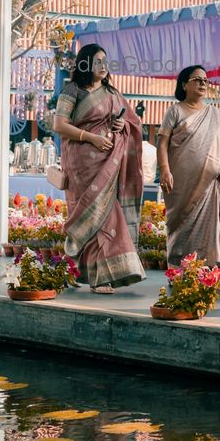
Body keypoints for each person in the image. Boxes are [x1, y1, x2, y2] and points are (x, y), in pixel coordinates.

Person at [53, 44, 145, 293]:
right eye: (98, 61)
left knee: (106, 215)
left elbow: (130, 123)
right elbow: (60, 125)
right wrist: (90, 137)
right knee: (91, 214)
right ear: (85, 63)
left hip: (108, 161)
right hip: (82, 165)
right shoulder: (72, 90)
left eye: (106, 61)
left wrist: (119, 125)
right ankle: (96, 276)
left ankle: (83, 272)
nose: (104, 66)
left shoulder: (112, 92)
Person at [157, 66, 220, 282]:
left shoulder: (216, 116)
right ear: (184, 85)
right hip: (180, 181)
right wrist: (164, 170)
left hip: (211, 181)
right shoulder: (175, 111)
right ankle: (180, 270)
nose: (202, 84)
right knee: (181, 224)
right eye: (196, 80)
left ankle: (218, 269)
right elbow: (162, 143)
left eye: (205, 80)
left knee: (215, 223)